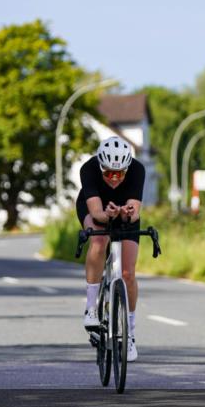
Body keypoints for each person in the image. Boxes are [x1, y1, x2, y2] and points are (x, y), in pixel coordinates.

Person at [76, 136, 146, 361]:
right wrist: (107, 215)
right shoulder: (88, 169)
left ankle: (131, 334)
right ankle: (91, 308)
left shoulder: (137, 169)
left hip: (123, 210)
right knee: (99, 240)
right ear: (100, 167)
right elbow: (96, 213)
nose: (114, 179)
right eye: (108, 173)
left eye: (119, 174)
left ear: (127, 169)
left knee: (128, 273)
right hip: (95, 207)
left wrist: (126, 214)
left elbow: (135, 212)